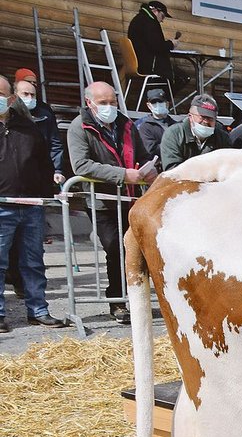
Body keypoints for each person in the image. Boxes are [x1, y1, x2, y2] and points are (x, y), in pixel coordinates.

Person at [67, 81, 153, 325]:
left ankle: (138, 297)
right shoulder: (79, 127)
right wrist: (122, 174)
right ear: (89, 103)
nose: (109, 107)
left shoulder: (126, 124)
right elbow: (81, 165)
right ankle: (117, 301)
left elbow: (142, 155)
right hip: (102, 201)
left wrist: (149, 169)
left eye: (112, 102)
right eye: (103, 103)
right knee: (115, 249)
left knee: (139, 249)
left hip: (131, 198)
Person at [0, 75, 60, 332]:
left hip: (32, 206)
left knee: (33, 261)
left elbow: (43, 162)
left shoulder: (27, 126)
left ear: (11, 98)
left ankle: (38, 310)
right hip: (2, 206)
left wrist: (47, 197)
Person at [160, 94, 231, 170]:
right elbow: (172, 170)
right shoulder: (174, 134)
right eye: (202, 117)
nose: (206, 121)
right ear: (190, 117)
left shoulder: (223, 138)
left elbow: (228, 167)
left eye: (211, 118)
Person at [127, 0, 180, 93]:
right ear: (155, 11)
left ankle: (156, 101)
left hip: (139, 62)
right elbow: (157, 47)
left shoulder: (138, 19)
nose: (162, 20)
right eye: (162, 16)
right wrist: (171, 44)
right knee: (180, 77)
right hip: (150, 66)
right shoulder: (150, 22)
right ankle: (161, 102)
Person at [134, 86, 174, 162]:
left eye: (161, 101)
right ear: (149, 106)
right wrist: (174, 145)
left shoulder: (175, 124)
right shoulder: (144, 126)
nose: (158, 104)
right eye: (154, 102)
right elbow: (151, 150)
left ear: (167, 104)